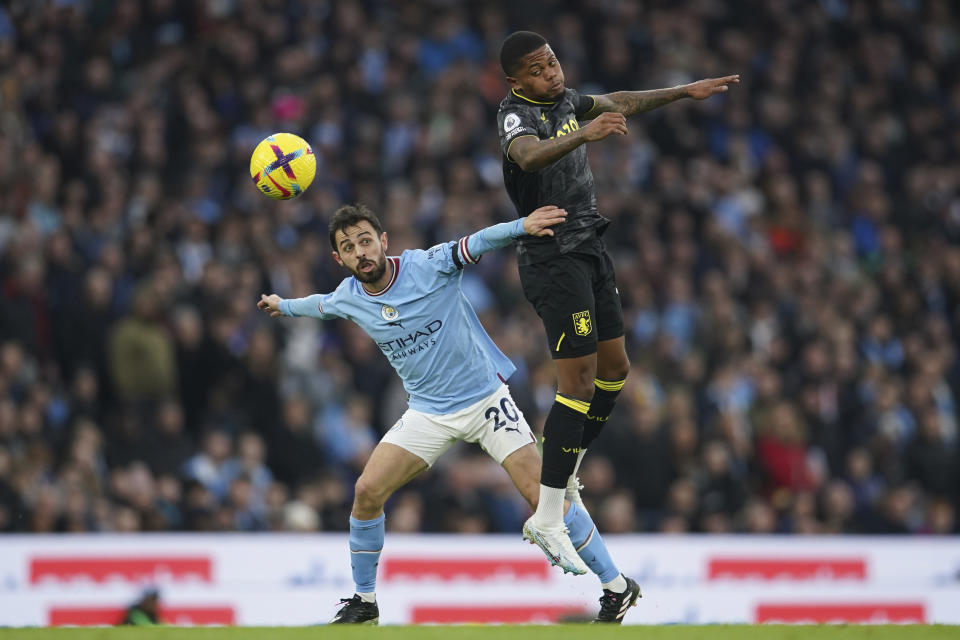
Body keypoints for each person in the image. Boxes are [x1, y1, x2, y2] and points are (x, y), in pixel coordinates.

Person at [258, 203, 638, 624]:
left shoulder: (426, 265)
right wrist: (283, 304)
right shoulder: (350, 296)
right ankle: (364, 602)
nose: (360, 252)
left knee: (544, 496)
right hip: (428, 413)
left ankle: (617, 587)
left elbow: (477, 242)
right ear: (339, 259)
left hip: (487, 402)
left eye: (366, 241)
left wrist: (522, 226)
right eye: (349, 247)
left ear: (383, 242)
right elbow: (320, 304)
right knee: (367, 491)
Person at [495, 30, 738, 607]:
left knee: (616, 368)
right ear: (516, 82)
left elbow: (621, 101)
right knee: (575, 381)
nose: (550, 73)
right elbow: (526, 155)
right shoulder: (513, 116)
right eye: (536, 69)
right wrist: (585, 132)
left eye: (551, 61)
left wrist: (685, 91)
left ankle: (566, 466)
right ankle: (550, 513)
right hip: (553, 256)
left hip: (589, 245)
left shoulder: (566, 100)